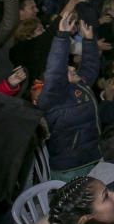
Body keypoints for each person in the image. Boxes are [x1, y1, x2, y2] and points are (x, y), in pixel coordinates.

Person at [39, 13, 103, 182]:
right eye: (68, 70)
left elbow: (90, 67)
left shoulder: (79, 85)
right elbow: (55, 69)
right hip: (70, 167)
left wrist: (88, 41)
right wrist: (62, 36)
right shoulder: (52, 96)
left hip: (92, 158)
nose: (73, 69)